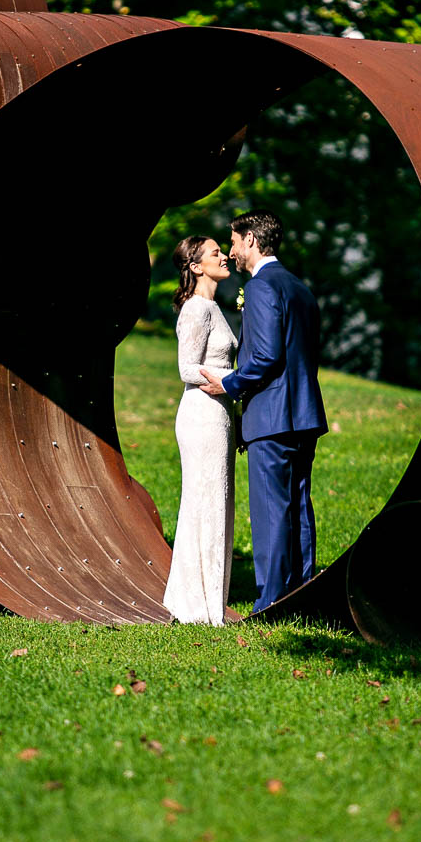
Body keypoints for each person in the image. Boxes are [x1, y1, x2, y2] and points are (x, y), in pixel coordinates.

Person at [200, 210, 327, 613]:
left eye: (235, 241)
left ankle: (271, 599)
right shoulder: (300, 289)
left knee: (272, 509)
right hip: (303, 414)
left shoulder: (260, 288)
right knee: (298, 504)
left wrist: (229, 384)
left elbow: (266, 355)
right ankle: (301, 592)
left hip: (271, 415)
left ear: (252, 240)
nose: (232, 251)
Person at [162, 235, 238, 625]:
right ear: (195, 266)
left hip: (220, 414)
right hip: (202, 414)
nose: (224, 256)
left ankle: (211, 600)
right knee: (204, 504)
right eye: (214, 253)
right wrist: (240, 378)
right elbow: (187, 369)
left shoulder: (214, 306)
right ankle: (195, 606)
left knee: (219, 505)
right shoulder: (195, 309)